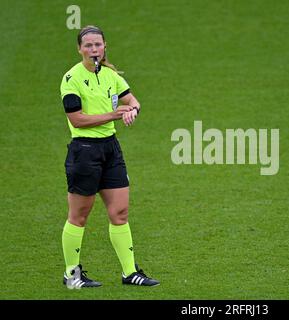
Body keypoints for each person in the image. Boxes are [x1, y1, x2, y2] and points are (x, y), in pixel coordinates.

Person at [59, 25, 159, 288]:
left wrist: (131, 111)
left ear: (105, 47)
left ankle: (129, 273)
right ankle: (72, 275)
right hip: (84, 152)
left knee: (120, 212)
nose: (94, 50)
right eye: (89, 45)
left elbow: (133, 101)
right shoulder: (71, 79)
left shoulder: (112, 75)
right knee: (79, 215)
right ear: (80, 49)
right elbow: (77, 120)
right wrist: (116, 114)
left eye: (98, 45)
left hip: (110, 150)